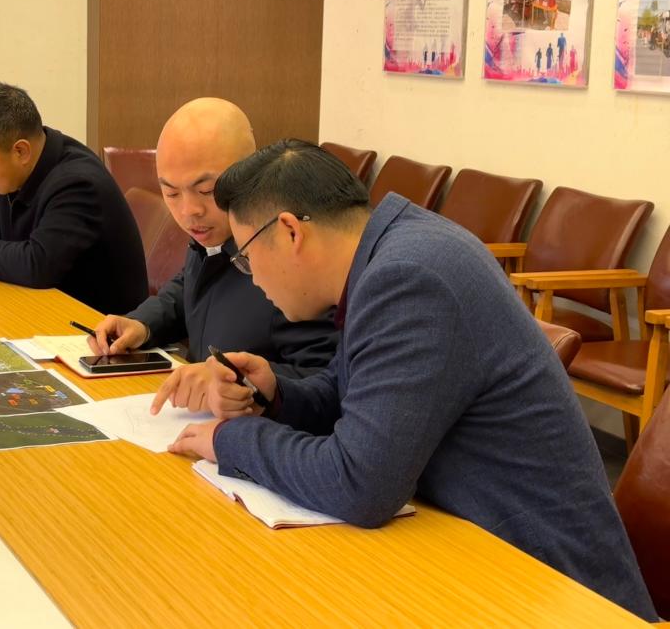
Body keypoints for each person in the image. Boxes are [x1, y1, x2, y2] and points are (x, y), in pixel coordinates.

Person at [154, 140, 657, 621]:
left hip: (554, 588)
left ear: (289, 231)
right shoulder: (390, 251)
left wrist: (231, 439)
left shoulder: (409, 278)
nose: (253, 276)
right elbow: (350, 392)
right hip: (472, 556)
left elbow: (359, 485)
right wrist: (275, 394)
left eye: (246, 256)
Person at [88, 99, 336, 399]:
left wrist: (236, 380)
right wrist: (142, 324)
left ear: (250, 173)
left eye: (206, 190)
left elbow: (327, 381)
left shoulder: (287, 254)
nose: (188, 210)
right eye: (171, 193)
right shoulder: (211, 236)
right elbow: (191, 285)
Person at [0, 80, 148, 315]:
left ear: (20, 151)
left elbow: (40, 264)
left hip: (97, 328)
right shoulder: (25, 169)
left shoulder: (78, 183)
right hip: (47, 311)